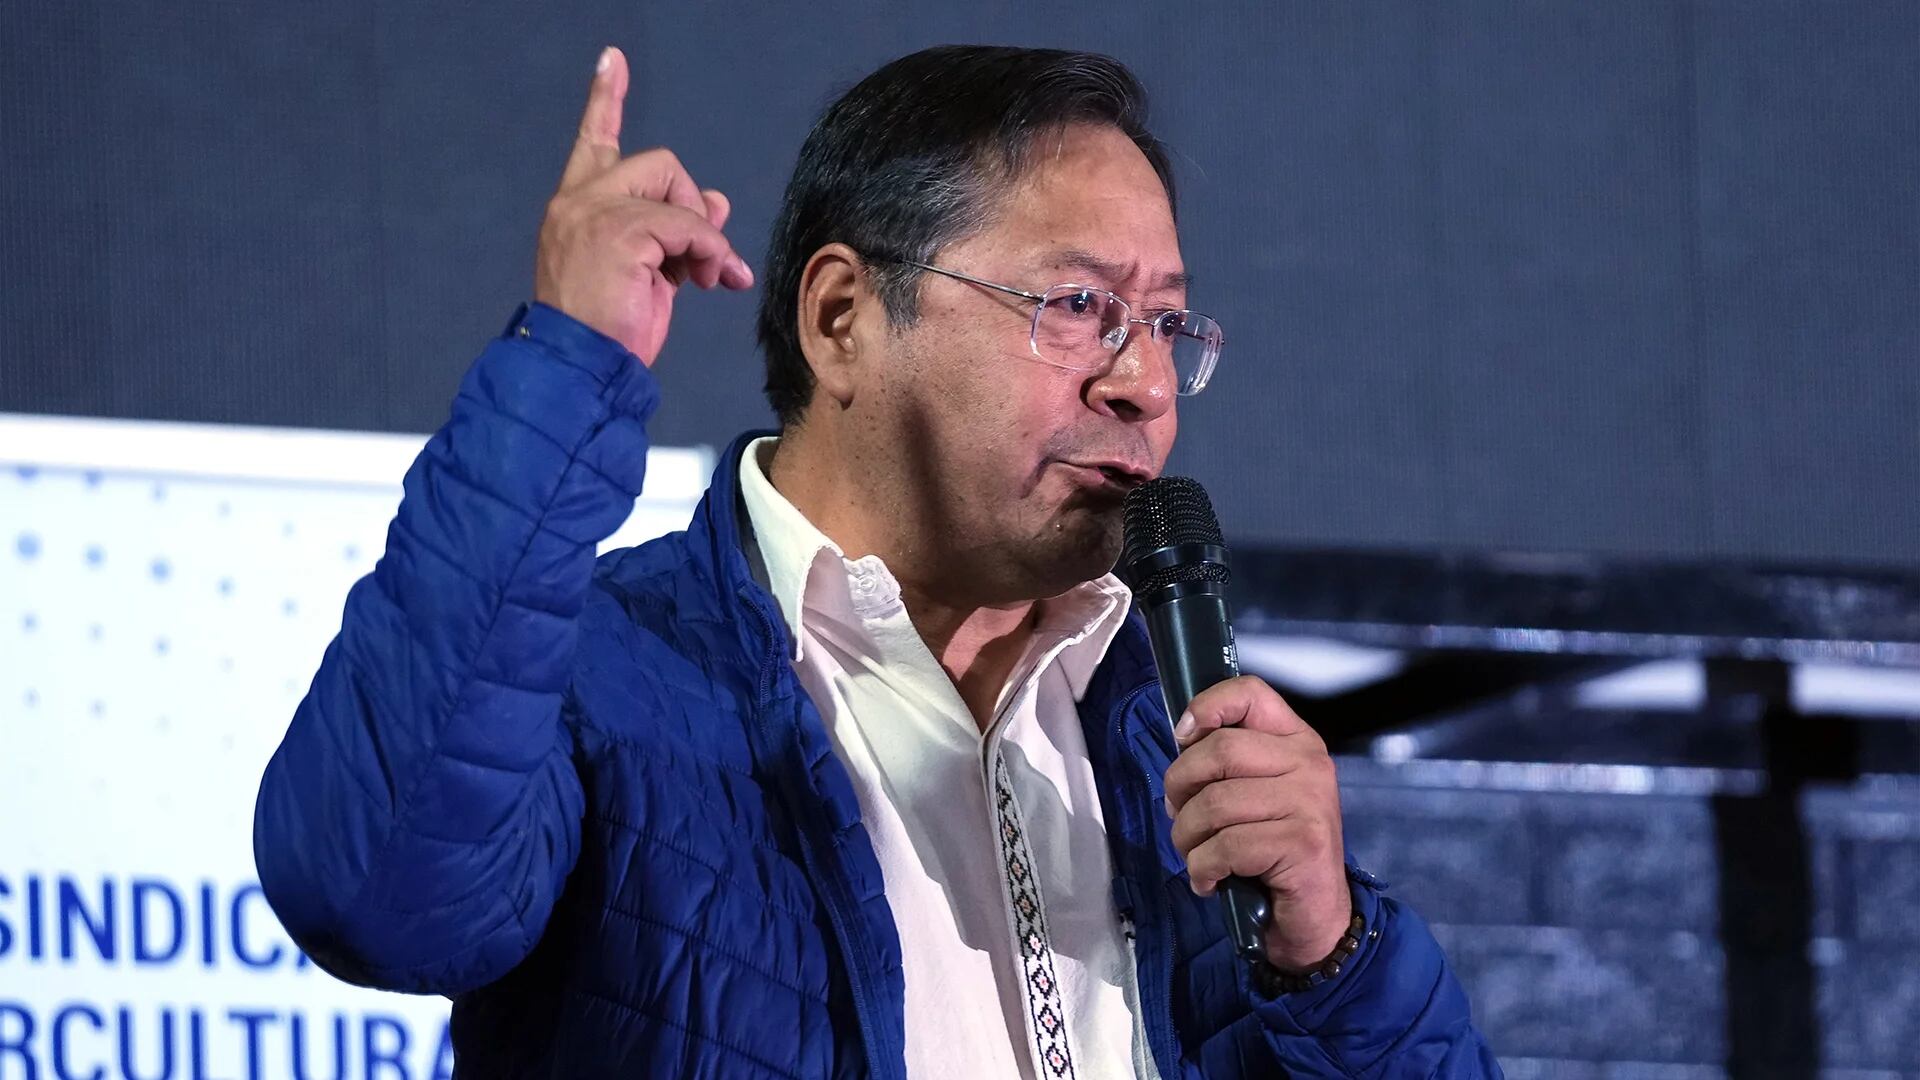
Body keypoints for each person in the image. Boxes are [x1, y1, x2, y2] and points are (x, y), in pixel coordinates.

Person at [254, 43, 1500, 1078]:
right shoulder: (605, 672)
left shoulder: (1162, 727)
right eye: (1078, 308)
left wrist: (1332, 956)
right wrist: (566, 370)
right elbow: (376, 895)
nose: (1147, 383)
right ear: (843, 319)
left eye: (1168, 322)